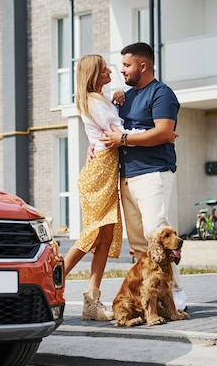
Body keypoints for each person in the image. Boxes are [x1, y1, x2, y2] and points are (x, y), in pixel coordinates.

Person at [99, 42, 186, 311]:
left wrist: (124, 138)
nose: (122, 70)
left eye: (127, 65)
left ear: (143, 66)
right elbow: (111, 128)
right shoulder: (126, 97)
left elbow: (162, 132)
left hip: (153, 174)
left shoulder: (162, 94)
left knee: (156, 232)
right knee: (139, 243)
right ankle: (153, 296)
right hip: (127, 177)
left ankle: (176, 292)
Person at [63, 54, 143, 321]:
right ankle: (49, 282)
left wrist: (119, 95)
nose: (111, 71)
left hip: (105, 174)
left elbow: (112, 123)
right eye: (105, 69)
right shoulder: (94, 102)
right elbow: (116, 130)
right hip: (99, 175)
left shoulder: (100, 99)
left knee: (106, 238)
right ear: (94, 75)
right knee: (93, 236)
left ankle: (92, 303)